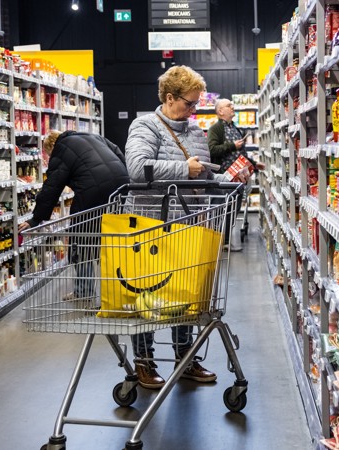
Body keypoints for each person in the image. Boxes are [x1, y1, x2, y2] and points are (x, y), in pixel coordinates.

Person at [125, 65, 237, 389]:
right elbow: (137, 168)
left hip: (188, 224)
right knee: (146, 296)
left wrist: (229, 179)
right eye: (189, 103)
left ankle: (185, 359)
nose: (194, 109)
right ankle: (144, 362)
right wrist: (182, 168)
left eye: (197, 104)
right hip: (150, 226)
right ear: (170, 97)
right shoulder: (145, 126)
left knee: (185, 296)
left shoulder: (197, 132)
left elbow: (204, 173)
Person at [19, 131, 130, 300]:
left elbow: (52, 186)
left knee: (81, 240)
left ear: (51, 147)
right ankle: (118, 289)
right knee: (112, 240)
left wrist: (36, 218)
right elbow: (117, 152)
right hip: (121, 188)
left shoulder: (61, 150)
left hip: (93, 192)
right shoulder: (92, 136)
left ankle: (84, 291)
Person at [207, 98, 265, 252]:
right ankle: (219, 242)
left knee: (234, 209)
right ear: (220, 111)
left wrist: (254, 164)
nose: (232, 107)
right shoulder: (215, 129)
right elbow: (212, 150)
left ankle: (227, 241)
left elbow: (241, 154)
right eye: (228, 105)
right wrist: (232, 145)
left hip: (238, 178)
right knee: (222, 211)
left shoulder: (235, 128)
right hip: (223, 178)